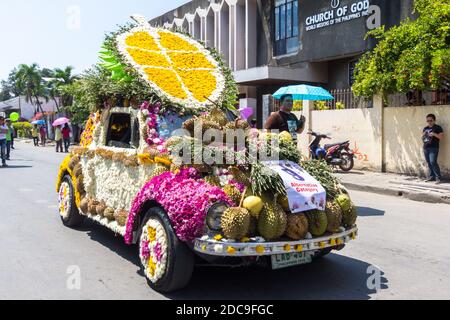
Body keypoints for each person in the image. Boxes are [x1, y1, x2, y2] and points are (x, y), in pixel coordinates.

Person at [422, 114, 444, 184]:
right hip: (426, 147)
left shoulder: (438, 127)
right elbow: (422, 137)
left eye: (431, 120)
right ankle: (431, 176)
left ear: (434, 120)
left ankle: (438, 178)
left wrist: (434, 134)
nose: (429, 122)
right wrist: (423, 134)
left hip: (434, 147)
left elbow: (441, 137)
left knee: (433, 162)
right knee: (429, 162)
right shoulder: (425, 128)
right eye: (427, 121)